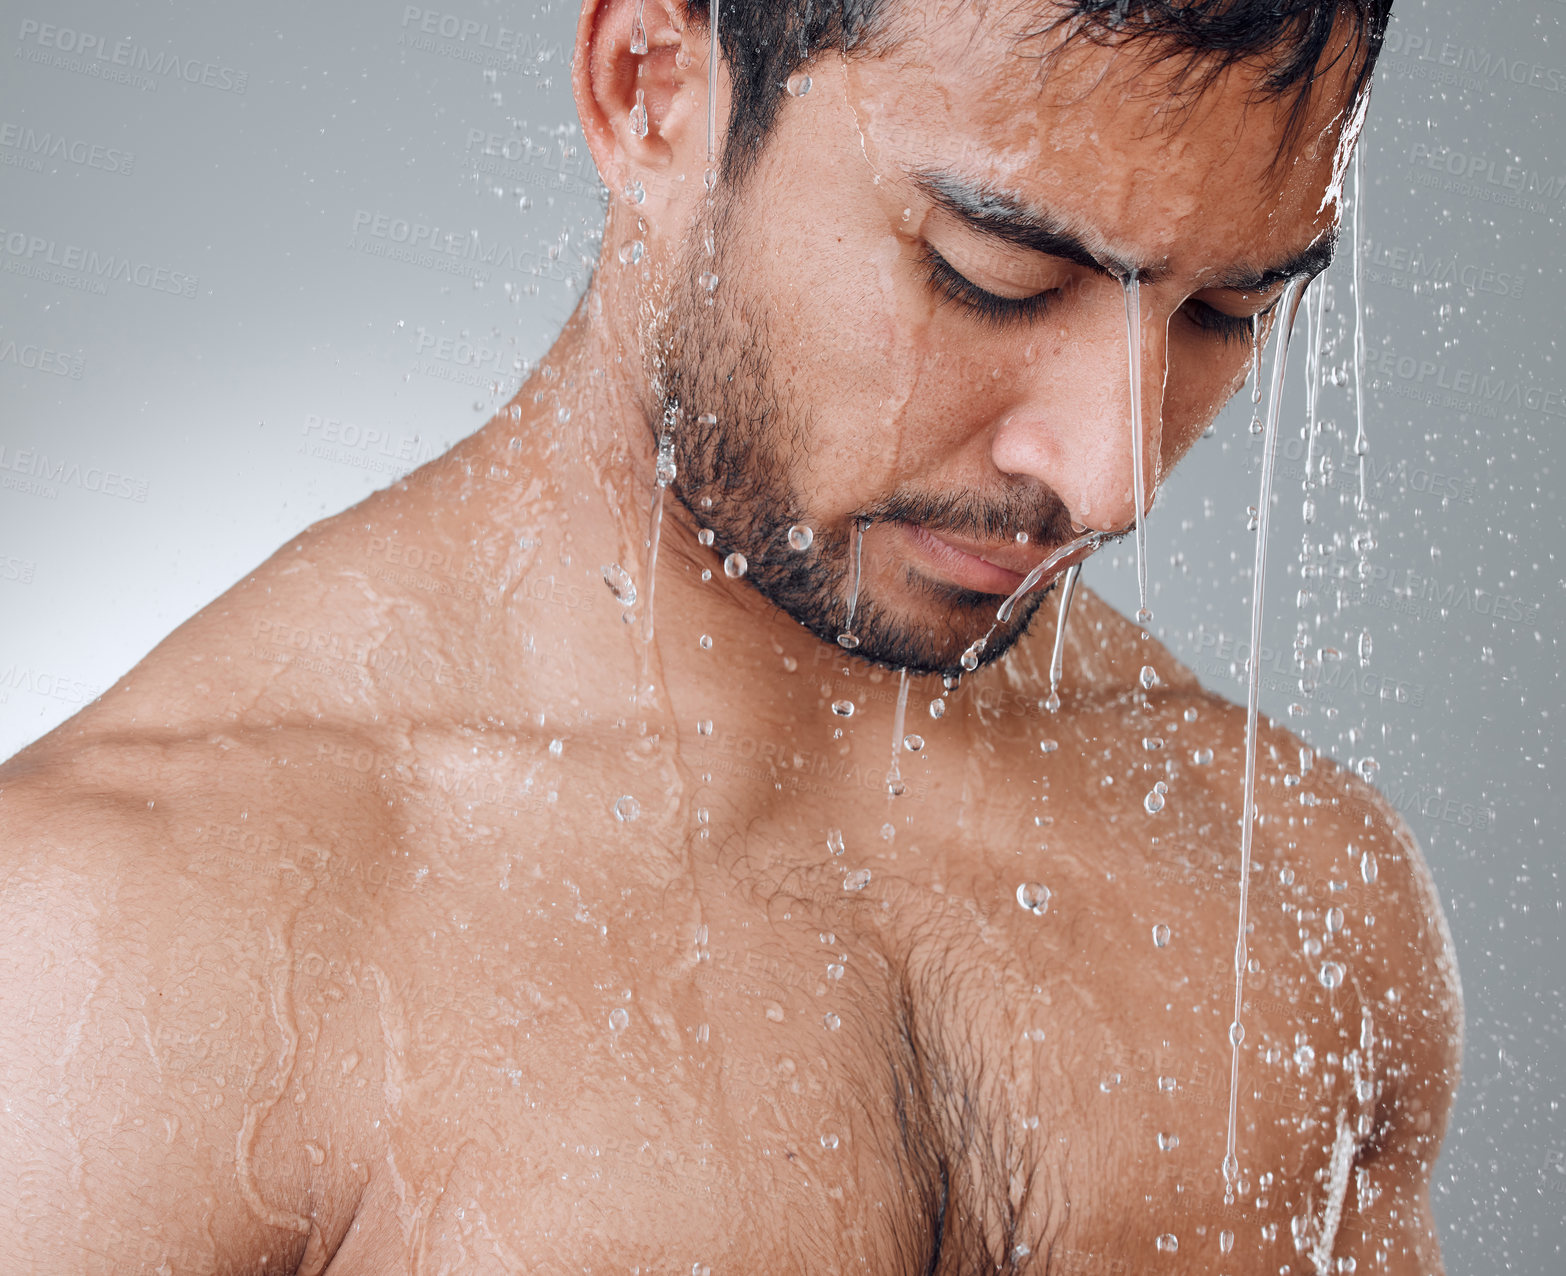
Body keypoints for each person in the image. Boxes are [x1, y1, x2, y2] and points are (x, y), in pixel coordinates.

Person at [0, 0, 1462, 1271]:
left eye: (1222, 314)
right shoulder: (131, 942)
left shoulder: (1288, 874)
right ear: (649, 87)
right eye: (991, 276)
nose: (1109, 479)